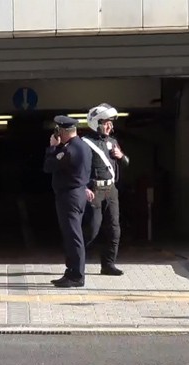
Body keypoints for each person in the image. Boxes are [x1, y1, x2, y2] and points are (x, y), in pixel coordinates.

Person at [43, 115, 93, 288]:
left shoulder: (69, 149)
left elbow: (49, 166)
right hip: (77, 193)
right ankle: (71, 271)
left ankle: (77, 275)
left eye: (58, 131)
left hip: (69, 196)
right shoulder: (83, 146)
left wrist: (52, 148)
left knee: (73, 237)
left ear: (63, 132)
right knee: (71, 236)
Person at [81, 103, 130, 276]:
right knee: (92, 229)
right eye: (106, 123)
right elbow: (79, 169)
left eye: (111, 123)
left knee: (114, 229)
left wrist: (121, 156)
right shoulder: (85, 143)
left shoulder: (112, 142)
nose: (110, 126)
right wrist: (84, 187)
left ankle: (108, 265)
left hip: (111, 189)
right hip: (94, 190)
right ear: (96, 122)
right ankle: (76, 262)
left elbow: (126, 163)